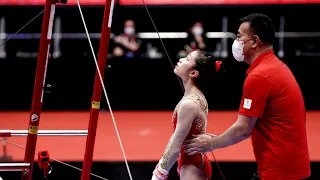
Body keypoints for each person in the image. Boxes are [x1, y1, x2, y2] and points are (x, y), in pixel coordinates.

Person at [183, 13, 312, 180]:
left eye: (238, 36)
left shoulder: (260, 76)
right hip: (290, 168)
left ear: (254, 41)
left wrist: (210, 144)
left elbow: (243, 129)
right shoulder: (275, 66)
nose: (235, 42)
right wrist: (216, 139)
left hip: (281, 173)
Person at [151, 50, 225, 180]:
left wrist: (160, 172)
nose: (181, 59)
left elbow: (176, 143)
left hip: (192, 167)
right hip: (192, 163)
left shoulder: (189, 103)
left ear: (193, 73)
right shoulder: (197, 97)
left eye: (187, 58)